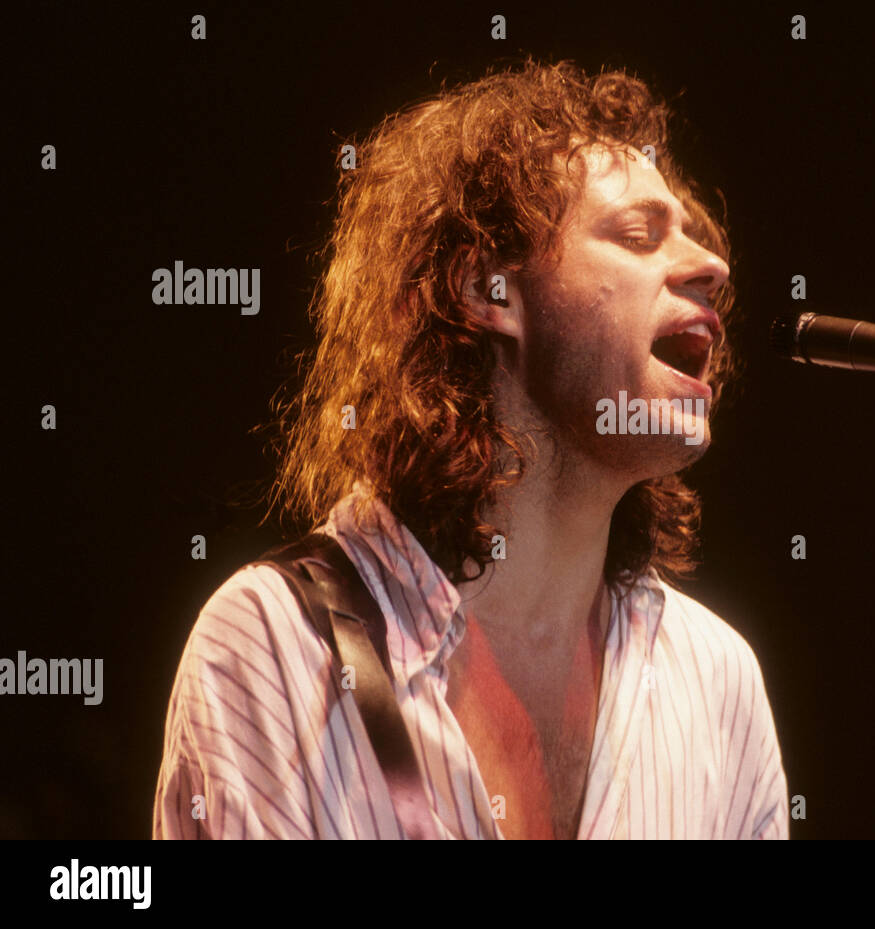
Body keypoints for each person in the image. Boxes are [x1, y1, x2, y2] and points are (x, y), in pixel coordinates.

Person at [152, 57, 788, 839]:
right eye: (636, 234)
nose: (713, 268)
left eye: (692, 239)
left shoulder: (718, 681)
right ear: (488, 292)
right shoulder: (277, 646)